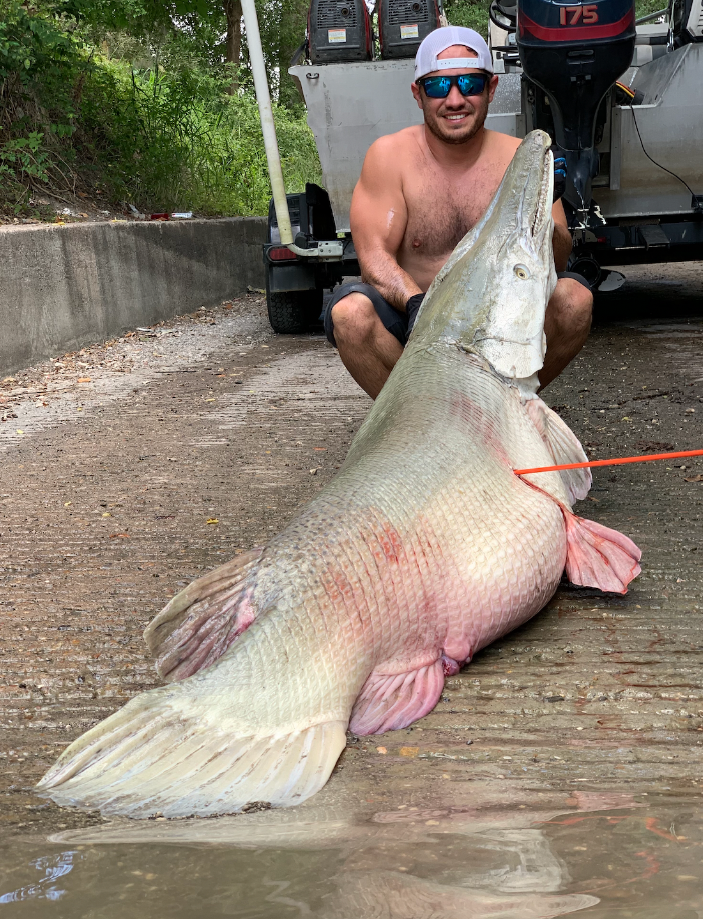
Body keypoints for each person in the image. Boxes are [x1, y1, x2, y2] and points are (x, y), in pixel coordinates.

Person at [322, 25, 593, 399]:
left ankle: (505, 408)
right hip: (412, 319)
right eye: (438, 86)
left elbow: (557, 262)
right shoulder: (389, 157)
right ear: (418, 94)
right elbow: (374, 260)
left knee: (575, 300)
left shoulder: (523, 159)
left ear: (491, 89)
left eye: (469, 84)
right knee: (350, 314)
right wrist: (418, 304)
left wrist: (541, 215)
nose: (454, 100)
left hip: (500, 323)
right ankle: (414, 420)